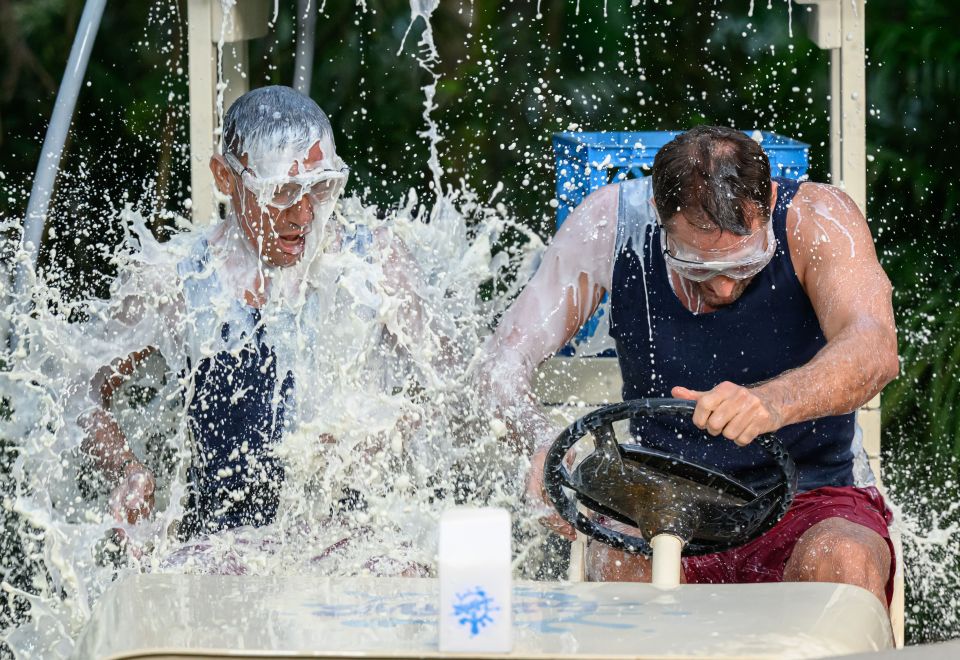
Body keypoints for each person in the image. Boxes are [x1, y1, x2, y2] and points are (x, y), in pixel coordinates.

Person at [484, 125, 899, 608]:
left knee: (845, 560)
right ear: (658, 215)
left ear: (766, 200)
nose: (722, 287)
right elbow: (500, 365)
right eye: (697, 267)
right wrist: (540, 439)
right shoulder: (610, 223)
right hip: (659, 497)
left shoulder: (819, 218)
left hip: (810, 494)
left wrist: (772, 402)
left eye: (745, 264)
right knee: (618, 565)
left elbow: (874, 349)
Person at [80, 86, 423, 543]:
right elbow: (76, 391)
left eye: (320, 188)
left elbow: (455, 390)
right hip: (224, 553)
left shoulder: (374, 264)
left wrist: (397, 426)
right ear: (226, 178)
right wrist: (125, 468)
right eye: (281, 191)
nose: (303, 215)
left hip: (353, 549)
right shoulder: (178, 282)